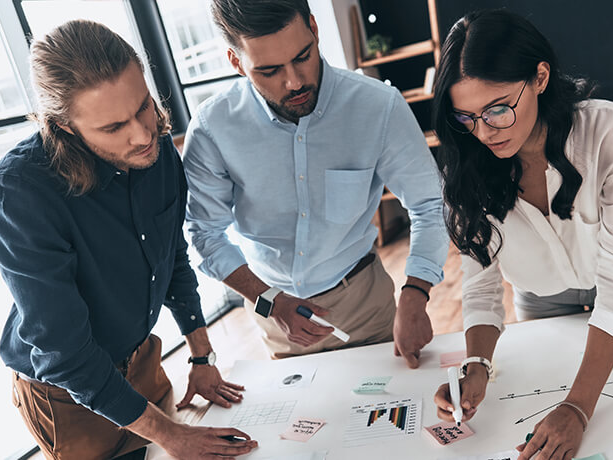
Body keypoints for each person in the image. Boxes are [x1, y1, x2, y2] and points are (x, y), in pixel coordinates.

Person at [0, 20, 257, 460]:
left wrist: (201, 356)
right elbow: (65, 353)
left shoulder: (157, 147)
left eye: (144, 107)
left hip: (142, 359)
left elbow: (172, 258)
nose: (142, 134)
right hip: (66, 391)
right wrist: (172, 434)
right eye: (113, 127)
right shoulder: (19, 190)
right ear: (65, 126)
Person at [430, 10, 613, 460]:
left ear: (540, 77)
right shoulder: (466, 169)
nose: (484, 132)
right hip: (540, 303)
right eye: (466, 117)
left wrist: (578, 407)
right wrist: (477, 365)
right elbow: (482, 287)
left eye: (498, 108)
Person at [182, 0, 449, 366]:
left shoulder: (378, 107)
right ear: (235, 62)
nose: (294, 82)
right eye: (270, 71)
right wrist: (270, 302)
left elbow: (429, 205)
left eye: (303, 56)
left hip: (366, 306)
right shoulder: (214, 129)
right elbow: (204, 235)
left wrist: (416, 293)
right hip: (272, 311)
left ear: (314, 28)